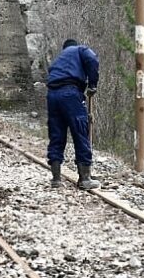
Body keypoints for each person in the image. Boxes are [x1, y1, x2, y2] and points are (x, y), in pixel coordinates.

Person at [46, 39, 101, 189]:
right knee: (80, 131)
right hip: (70, 93)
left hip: (52, 94)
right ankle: (85, 179)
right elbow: (92, 58)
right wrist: (92, 85)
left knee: (56, 135)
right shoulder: (80, 50)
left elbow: (50, 73)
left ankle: (56, 179)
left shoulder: (59, 60)